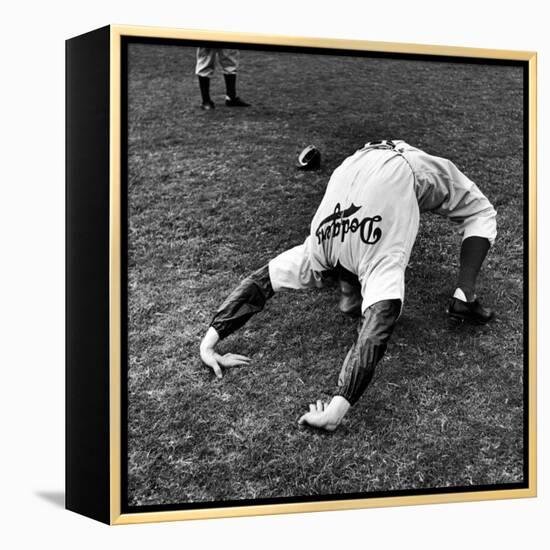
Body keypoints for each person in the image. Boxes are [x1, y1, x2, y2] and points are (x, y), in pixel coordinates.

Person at [199, 140, 497, 432]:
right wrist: (335, 410)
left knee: (476, 210)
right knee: (481, 213)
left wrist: (209, 342)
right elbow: (377, 324)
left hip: (393, 165)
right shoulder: (338, 255)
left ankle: (464, 295)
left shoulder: (319, 249)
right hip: (359, 166)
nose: (351, 306)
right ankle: (463, 297)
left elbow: (262, 281)